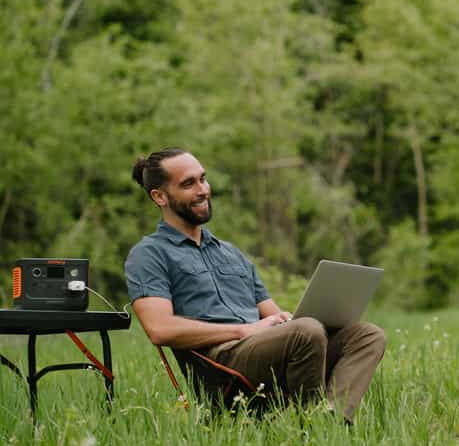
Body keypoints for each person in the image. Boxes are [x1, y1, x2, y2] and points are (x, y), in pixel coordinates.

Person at [124, 148, 385, 422]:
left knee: (366, 335)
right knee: (306, 331)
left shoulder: (229, 253)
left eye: (203, 179)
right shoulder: (149, 254)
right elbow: (159, 329)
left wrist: (287, 319)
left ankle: (331, 420)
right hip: (221, 362)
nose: (203, 190)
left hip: (261, 348)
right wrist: (244, 330)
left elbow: (272, 314)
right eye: (188, 184)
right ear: (159, 196)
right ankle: (309, 426)